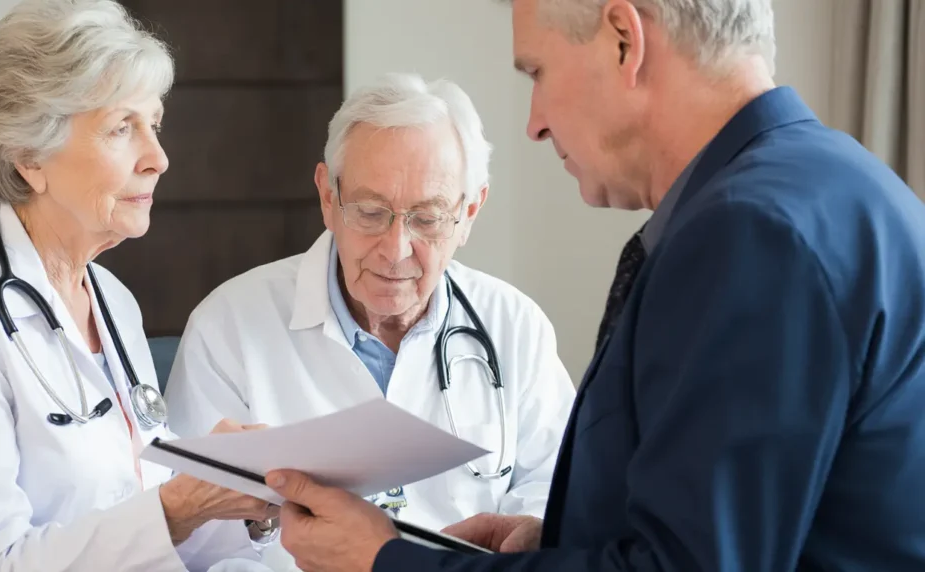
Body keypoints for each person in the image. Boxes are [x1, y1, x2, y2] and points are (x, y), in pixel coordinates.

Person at [252, 0, 925, 571]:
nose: (535, 121)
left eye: (537, 73)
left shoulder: (752, 234)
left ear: (624, 39)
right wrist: (563, 540)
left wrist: (387, 559)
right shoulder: (839, 188)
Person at [0, 1, 279, 570]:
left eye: (154, 124)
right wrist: (178, 506)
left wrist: (242, 494)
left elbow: (148, 528)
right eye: (122, 128)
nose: (159, 158)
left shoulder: (111, 302)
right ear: (30, 156)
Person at [162, 72, 576, 568]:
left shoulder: (515, 327)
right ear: (327, 198)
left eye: (427, 217)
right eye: (371, 211)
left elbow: (553, 496)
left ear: (469, 212)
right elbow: (198, 544)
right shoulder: (227, 327)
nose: (396, 250)